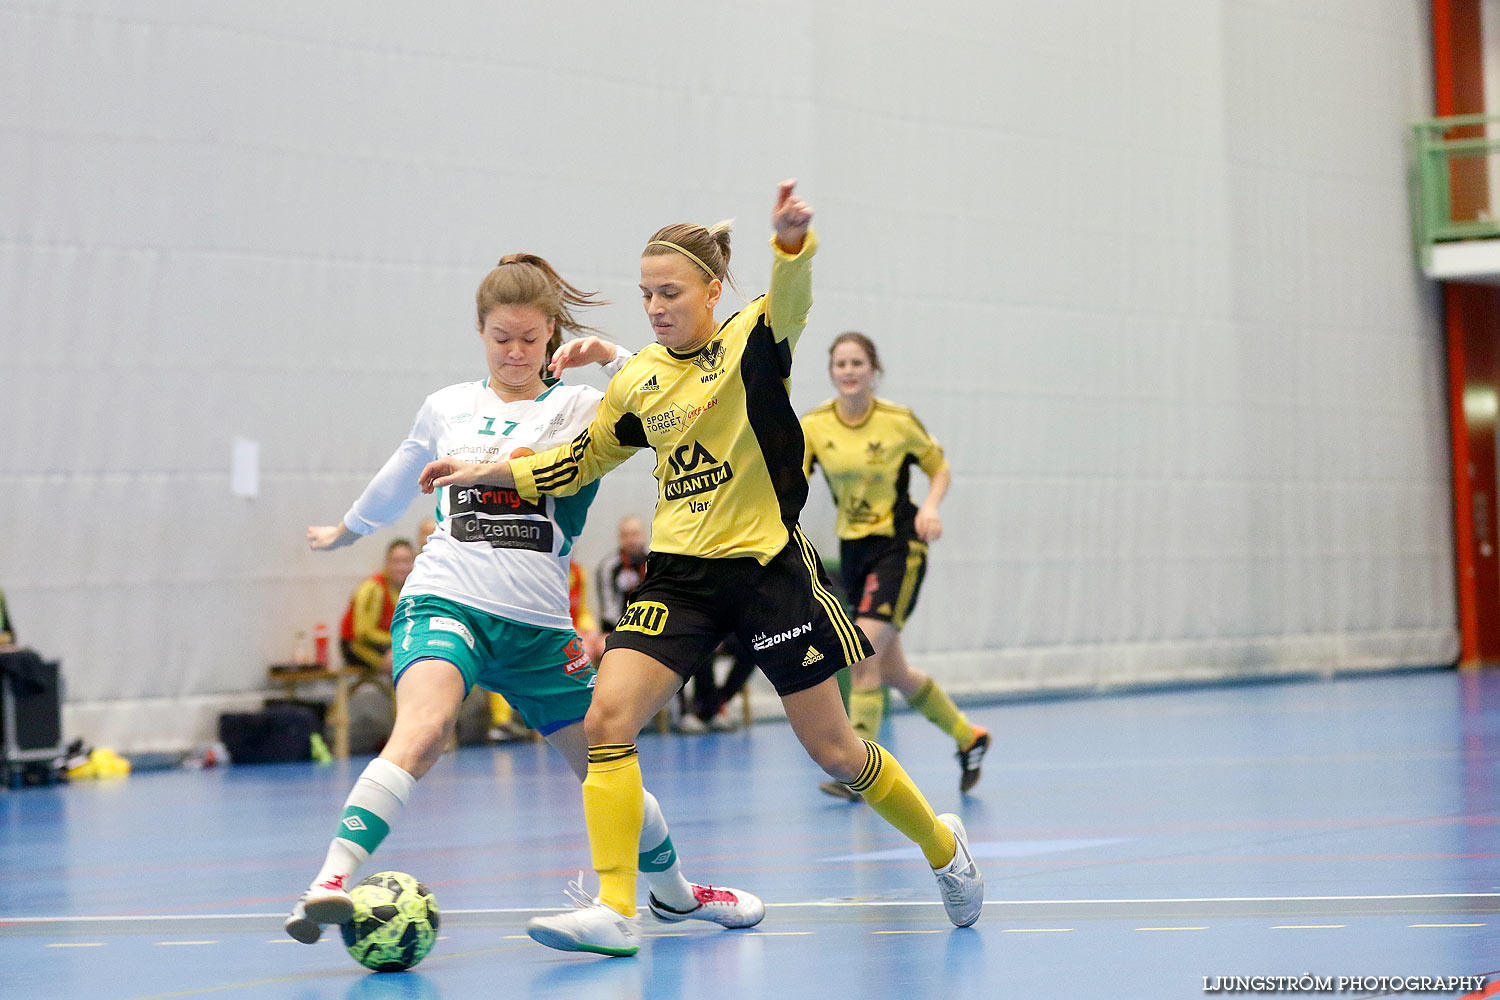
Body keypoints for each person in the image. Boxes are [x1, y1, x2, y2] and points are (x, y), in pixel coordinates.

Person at [422, 180, 982, 958]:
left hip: (767, 572)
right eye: (646, 292)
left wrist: (790, 244)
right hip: (680, 580)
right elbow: (574, 461)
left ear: (711, 289)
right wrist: (487, 469)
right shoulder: (639, 379)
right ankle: (617, 908)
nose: (654, 305)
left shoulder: (756, 338)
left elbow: (792, 294)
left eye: (670, 290)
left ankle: (942, 849)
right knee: (607, 720)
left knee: (835, 751)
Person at [286, 252, 763, 949]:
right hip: (447, 599)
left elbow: (668, 395)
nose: (514, 352)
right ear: (481, 333)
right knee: (421, 732)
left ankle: (677, 896)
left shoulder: (579, 408)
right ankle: (327, 885)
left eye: (529, 340)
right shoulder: (447, 405)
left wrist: (609, 355)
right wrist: (348, 529)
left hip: (540, 628)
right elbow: (400, 477)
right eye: (500, 337)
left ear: (551, 338)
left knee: (607, 761)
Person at [802, 332, 988, 800]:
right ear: (831, 372)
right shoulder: (815, 426)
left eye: (857, 363)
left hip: (899, 548)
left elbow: (938, 466)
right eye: (840, 363)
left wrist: (931, 506)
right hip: (854, 552)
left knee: (862, 656)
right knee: (894, 672)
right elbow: (792, 480)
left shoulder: (898, 422)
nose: (848, 370)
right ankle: (969, 737)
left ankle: (858, 775)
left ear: (873, 371)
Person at [339, 539, 415, 698]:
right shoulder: (373, 588)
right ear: (387, 563)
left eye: (406, 561)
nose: (402, 567)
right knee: (401, 663)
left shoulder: (411, 591)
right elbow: (363, 632)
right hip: (356, 645)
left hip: (388, 644)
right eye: (396, 562)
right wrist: (396, 642)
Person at [595, 514, 648, 630]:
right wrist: (630, 629)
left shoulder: (654, 564)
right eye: (625, 535)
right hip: (616, 628)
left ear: (644, 536)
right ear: (619, 538)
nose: (631, 540)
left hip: (648, 626)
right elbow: (608, 610)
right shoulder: (608, 566)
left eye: (635, 534)